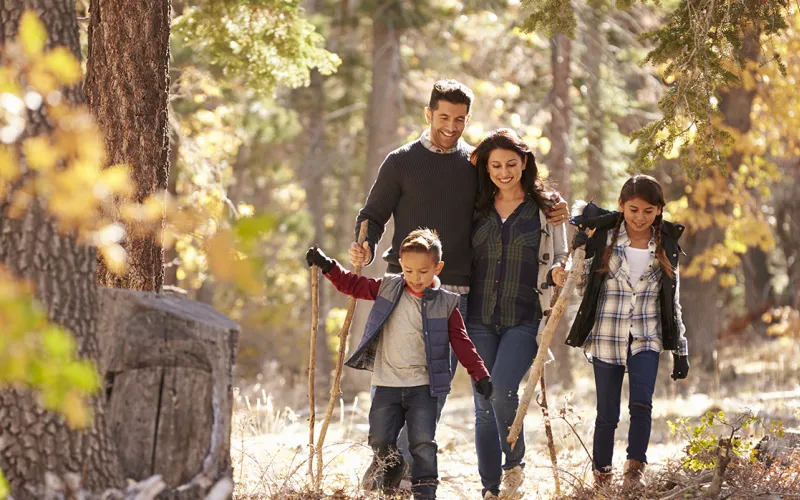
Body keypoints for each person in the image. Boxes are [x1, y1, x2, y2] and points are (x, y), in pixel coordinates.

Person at [349, 78, 569, 476]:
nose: (451, 126)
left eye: (460, 119)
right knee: (398, 378)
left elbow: (514, 188)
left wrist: (553, 203)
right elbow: (373, 215)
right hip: (402, 285)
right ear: (428, 114)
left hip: (456, 292)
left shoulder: (474, 165)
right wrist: (363, 243)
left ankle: (400, 469)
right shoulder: (400, 161)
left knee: (436, 384)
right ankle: (387, 459)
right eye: (444, 117)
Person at [306, 228, 493, 500]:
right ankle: (394, 468)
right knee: (379, 440)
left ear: (437, 267)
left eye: (423, 271)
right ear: (401, 266)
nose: (415, 278)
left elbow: (462, 341)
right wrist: (327, 265)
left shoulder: (446, 303)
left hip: (424, 387)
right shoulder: (389, 287)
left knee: (422, 443)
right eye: (408, 270)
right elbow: (353, 285)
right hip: (387, 384)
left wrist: (480, 375)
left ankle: (425, 491)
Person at [566, 174, 690, 493]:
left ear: (659, 210)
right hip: (607, 335)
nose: (640, 217)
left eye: (649, 211)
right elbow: (580, 288)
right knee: (607, 413)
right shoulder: (604, 238)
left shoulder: (665, 244)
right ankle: (602, 477)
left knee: (642, 404)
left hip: (646, 337)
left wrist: (681, 349)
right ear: (621, 206)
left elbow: (672, 300)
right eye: (633, 209)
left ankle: (635, 472)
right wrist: (579, 254)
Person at [465, 129, 568, 500]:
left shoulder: (546, 208)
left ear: (524, 163)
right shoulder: (475, 204)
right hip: (476, 318)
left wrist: (560, 271)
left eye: (511, 163)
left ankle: (513, 465)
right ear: (487, 168)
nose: (504, 171)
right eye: (496, 165)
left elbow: (562, 255)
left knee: (503, 391)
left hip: (525, 317)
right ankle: (490, 488)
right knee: (482, 403)